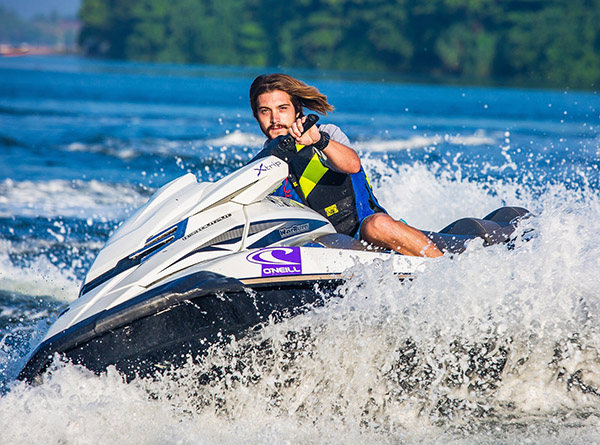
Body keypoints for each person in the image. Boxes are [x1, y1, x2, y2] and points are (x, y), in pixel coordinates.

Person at [249, 73, 442, 258]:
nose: (274, 119)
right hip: (320, 243)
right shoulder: (259, 166)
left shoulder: (326, 133)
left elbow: (352, 164)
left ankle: (445, 270)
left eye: (282, 108)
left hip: (365, 228)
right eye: (265, 111)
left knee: (377, 226)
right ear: (256, 116)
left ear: (297, 110)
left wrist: (319, 141)